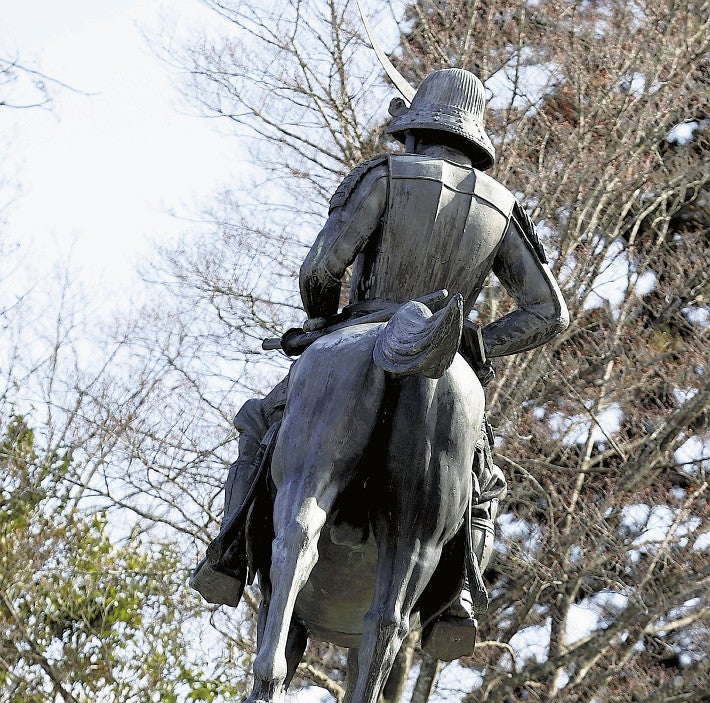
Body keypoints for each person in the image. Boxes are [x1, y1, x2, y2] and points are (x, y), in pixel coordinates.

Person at [191, 68, 568, 656]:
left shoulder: (383, 175)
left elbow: (321, 268)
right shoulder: (502, 207)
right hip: (446, 361)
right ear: (474, 138)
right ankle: (458, 599)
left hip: (363, 324)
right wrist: (471, 349)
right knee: (482, 476)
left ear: (416, 128)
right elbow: (548, 312)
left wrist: (322, 322)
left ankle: (231, 553)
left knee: (258, 420)